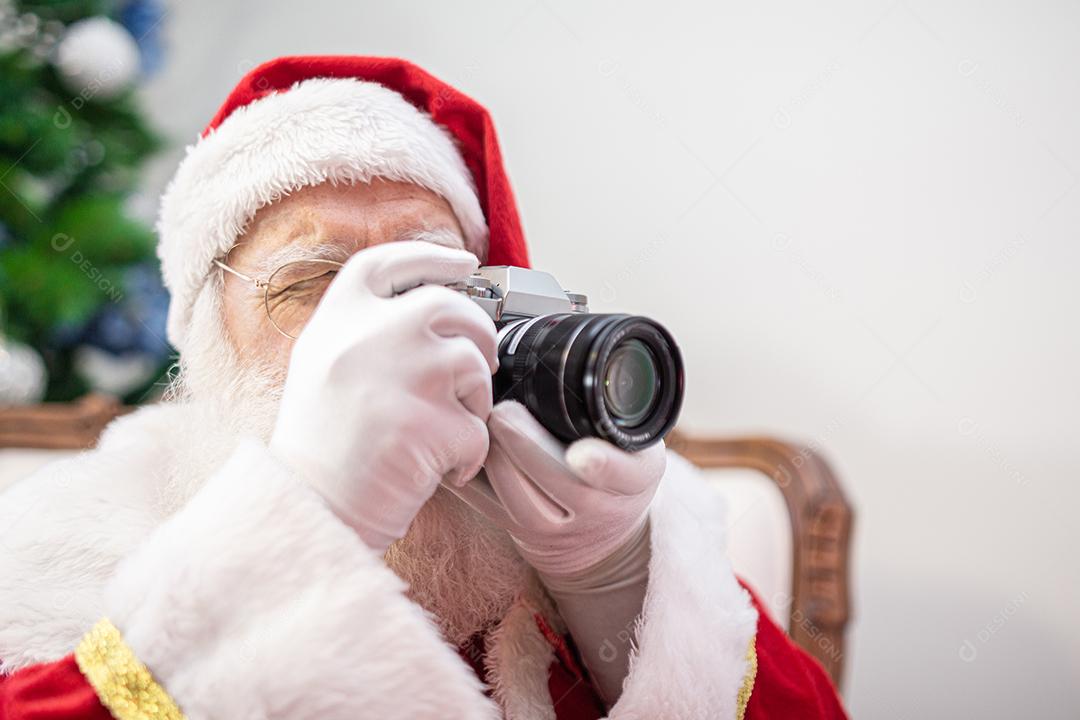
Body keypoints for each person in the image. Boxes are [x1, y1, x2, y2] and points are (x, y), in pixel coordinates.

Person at [0, 56, 847, 720]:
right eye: (310, 282)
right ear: (211, 337)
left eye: (428, 282)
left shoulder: (611, 521)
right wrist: (301, 518)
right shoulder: (67, 555)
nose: (380, 331)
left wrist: (613, 587)